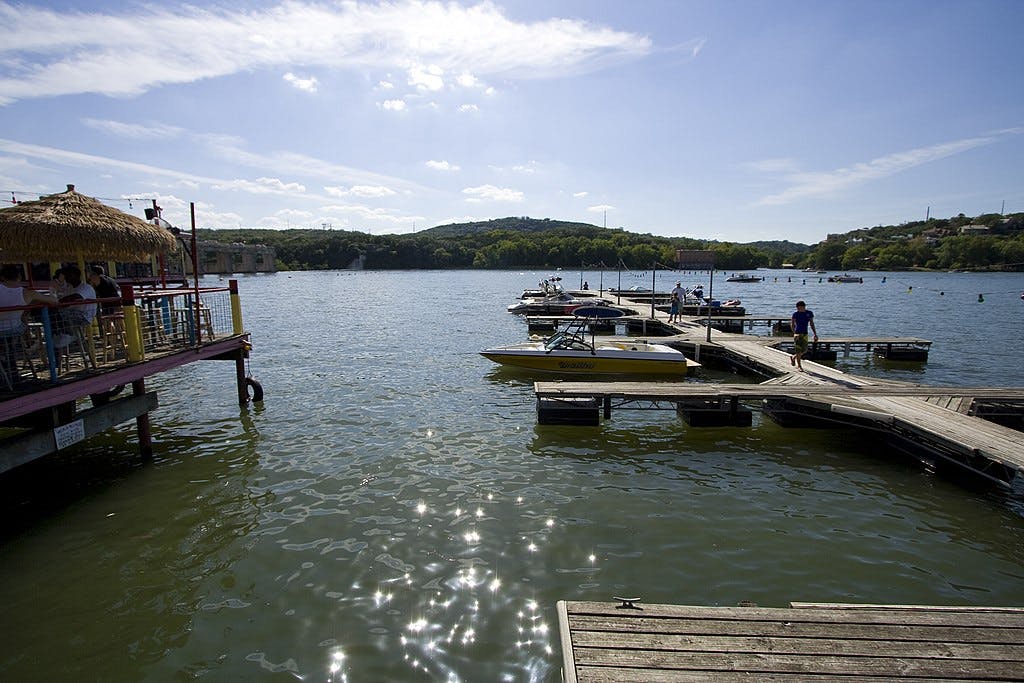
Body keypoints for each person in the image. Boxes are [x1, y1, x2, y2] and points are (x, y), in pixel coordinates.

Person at [0, 264, 57, 338]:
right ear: (19, 277)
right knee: (25, 320)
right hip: (15, 328)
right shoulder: (28, 293)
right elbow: (54, 300)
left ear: (2, 277)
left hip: (9, 328)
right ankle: (30, 341)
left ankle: (29, 341)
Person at [53, 265, 96, 348]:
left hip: (84, 316)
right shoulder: (69, 288)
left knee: (56, 313)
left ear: (75, 275)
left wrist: (60, 302)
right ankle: (57, 335)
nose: (67, 278)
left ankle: (69, 334)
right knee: (52, 315)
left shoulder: (86, 287)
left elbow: (76, 297)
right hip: (72, 314)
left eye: (69, 275)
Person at [790, 300, 818, 371]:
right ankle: (799, 366)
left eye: (799, 308)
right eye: (797, 308)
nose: (798, 309)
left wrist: (815, 334)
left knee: (805, 350)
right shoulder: (795, 314)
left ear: (803, 307)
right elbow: (792, 324)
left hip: (805, 333)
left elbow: (812, 323)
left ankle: (793, 357)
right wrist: (794, 333)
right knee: (798, 350)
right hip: (798, 333)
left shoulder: (809, 313)